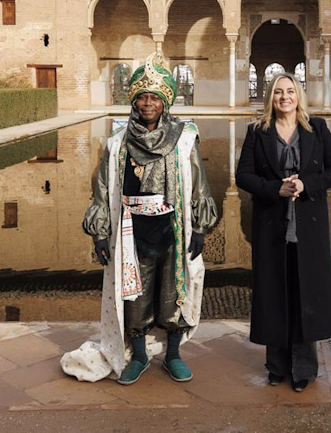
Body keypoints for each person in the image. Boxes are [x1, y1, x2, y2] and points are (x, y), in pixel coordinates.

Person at [61, 52, 217, 384]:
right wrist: (100, 235)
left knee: (175, 293)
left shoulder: (184, 138)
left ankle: (173, 355)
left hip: (173, 228)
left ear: (165, 102)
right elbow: (102, 189)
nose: (148, 103)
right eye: (142, 97)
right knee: (134, 295)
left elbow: (199, 184)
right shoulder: (118, 143)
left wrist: (200, 229)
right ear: (134, 101)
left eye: (155, 97)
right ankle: (141, 356)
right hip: (131, 231)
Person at [236, 72, 331, 391]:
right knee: (273, 292)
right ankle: (276, 366)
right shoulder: (257, 131)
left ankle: (303, 369)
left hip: (308, 227)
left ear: (298, 95)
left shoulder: (317, 128)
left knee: (305, 293)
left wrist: (305, 184)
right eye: (278, 92)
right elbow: (243, 176)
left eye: (290, 91)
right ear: (270, 97)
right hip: (272, 225)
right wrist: (275, 188)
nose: (284, 97)